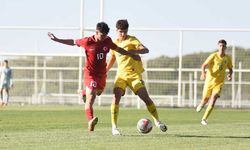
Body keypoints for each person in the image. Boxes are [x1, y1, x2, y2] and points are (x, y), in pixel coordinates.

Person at [48, 22, 139, 132]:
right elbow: (73, 42)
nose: (103, 37)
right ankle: (90, 120)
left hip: (102, 74)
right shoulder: (87, 41)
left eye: (105, 35)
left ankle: (83, 92)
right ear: (96, 32)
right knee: (91, 97)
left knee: (98, 92)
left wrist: (131, 54)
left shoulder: (107, 41)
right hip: (90, 73)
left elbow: (118, 49)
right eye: (102, 35)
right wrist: (57, 39)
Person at [106, 19, 167, 135]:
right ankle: (114, 127)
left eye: (124, 31)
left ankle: (158, 121)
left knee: (146, 98)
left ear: (127, 30)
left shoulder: (132, 40)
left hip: (134, 76)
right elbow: (113, 58)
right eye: (120, 31)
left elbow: (145, 50)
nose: (122, 34)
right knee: (116, 98)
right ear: (116, 31)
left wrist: (133, 51)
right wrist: (106, 70)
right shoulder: (114, 44)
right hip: (121, 76)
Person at [196, 39, 233, 125]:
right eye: (220, 46)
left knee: (214, 98)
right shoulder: (213, 56)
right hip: (209, 82)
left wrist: (230, 75)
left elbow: (230, 68)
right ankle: (202, 104)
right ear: (218, 46)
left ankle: (204, 119)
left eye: (223, 46)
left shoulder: (227, 58)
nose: (222, 48)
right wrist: (203, 73)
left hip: (218, 83)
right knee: (205, 99)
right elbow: (204, 65)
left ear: (225, 47)